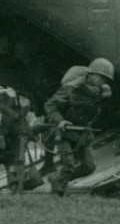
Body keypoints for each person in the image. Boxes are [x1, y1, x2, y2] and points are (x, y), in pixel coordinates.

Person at [44, 58, 114, 196]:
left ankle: (56, 179)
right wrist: (61, 121)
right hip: (64, 130)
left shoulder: (99, 91)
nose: (102, 81)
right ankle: (58, 195)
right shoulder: (71, 88)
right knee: (68, 164)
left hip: (82, 132)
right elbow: (50, 105)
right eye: (100, 76)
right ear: (91, 74)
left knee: (89, 166)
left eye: (105, 79)